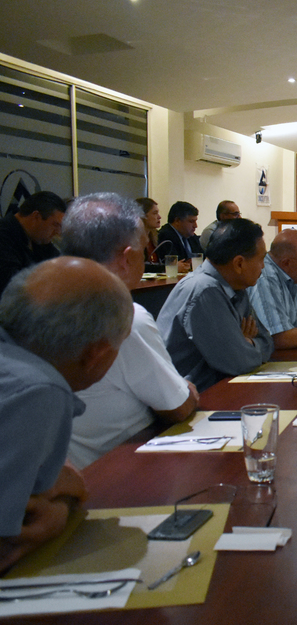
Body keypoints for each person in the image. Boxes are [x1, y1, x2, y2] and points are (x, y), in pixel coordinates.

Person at [0, 257, 133, 570]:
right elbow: (10, 540)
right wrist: (59, 512)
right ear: (96, 354)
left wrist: (59, 491)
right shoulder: (39, 391)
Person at [60, 193, 199, 468]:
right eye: (143, 249)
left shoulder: (40, 304)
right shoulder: (124, 318)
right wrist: (185, 387)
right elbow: (178, 406)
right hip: (121, 469)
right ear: (126, 258)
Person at [157, 218, 274, 391]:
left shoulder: (236, 287)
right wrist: (242, 345)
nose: (263, 267)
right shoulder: (204, 291)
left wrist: (245, 344)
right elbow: (238, 362)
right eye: (261, 259)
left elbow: (267, 341)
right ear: (239, 263)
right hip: (192, 395)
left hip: (221, 386)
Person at [0, 190, 66, 296]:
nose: (58, 232)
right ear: (36, 216)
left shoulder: (38, 238)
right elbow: (12, 286)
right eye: (55, 225)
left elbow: (62, 266)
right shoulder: (4, 236)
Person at [156, 200, 203, 270]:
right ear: (177, 221)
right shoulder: (165, 236)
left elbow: (204, 259)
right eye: (191, 221)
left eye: (195, 221)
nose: (195, 226)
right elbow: (176, 264)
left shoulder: (192, 237)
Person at [136, 197, 162, 263]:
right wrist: (165, 267)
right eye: (155, 213)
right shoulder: (133, 239)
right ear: (143, 216)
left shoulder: (154, 236)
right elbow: (141, 265)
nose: (159, 217)